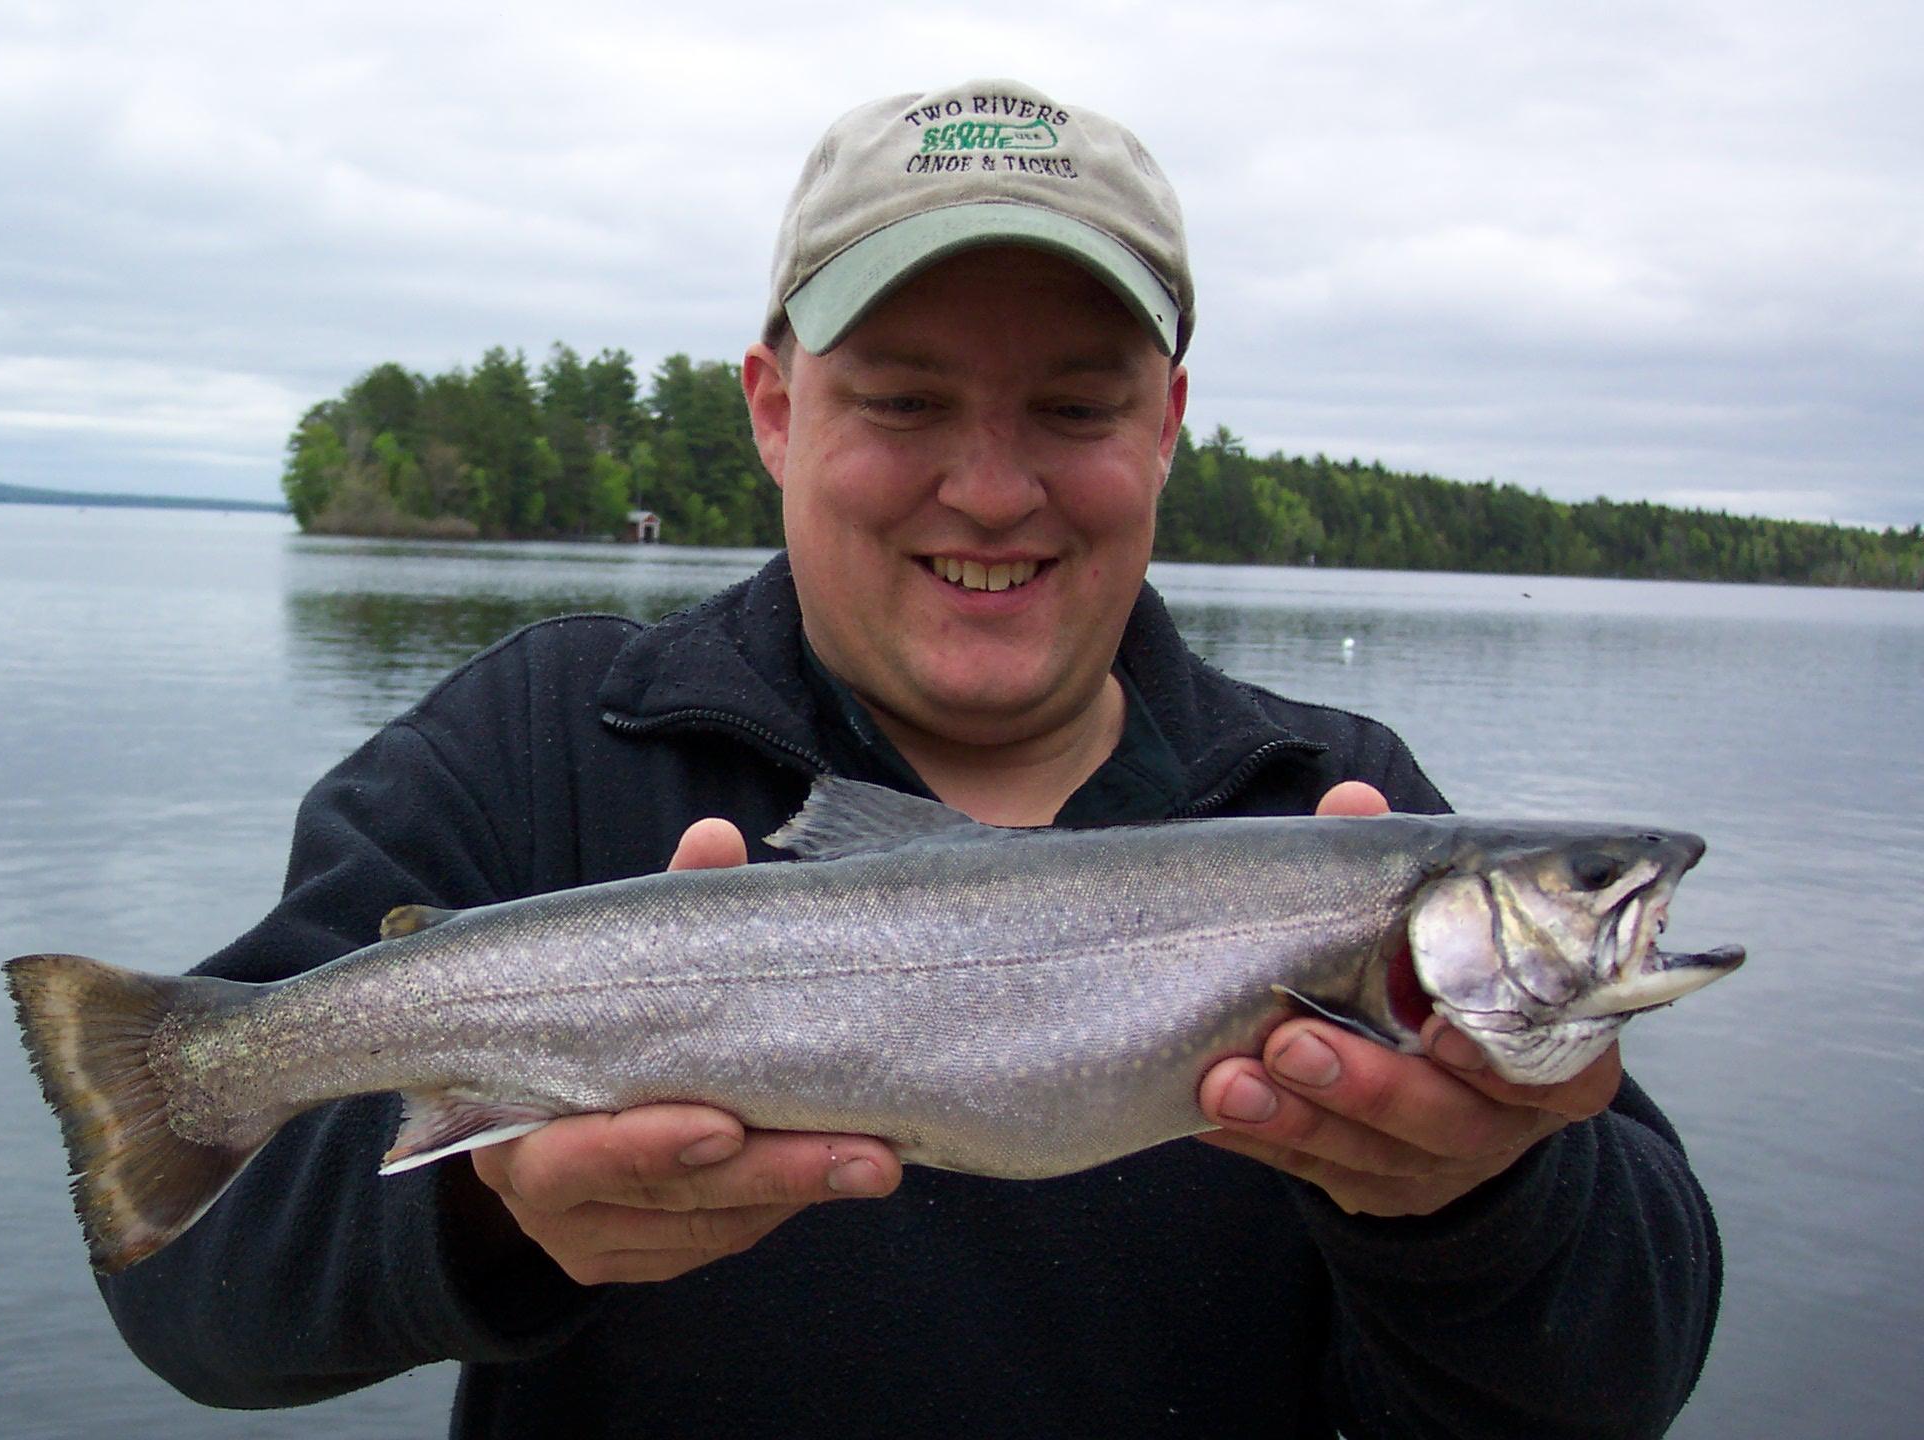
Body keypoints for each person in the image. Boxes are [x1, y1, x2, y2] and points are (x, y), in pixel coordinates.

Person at [99, 79, 1720, 1437]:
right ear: (776, 409)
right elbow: (189, 1293)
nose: (993, 491)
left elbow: (1619, 1379)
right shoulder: (531, 750)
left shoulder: (1333, 803)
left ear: (1167, 425)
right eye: (902, 400)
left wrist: (1472, 1205)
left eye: (1076, 412)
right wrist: (487, 1215)